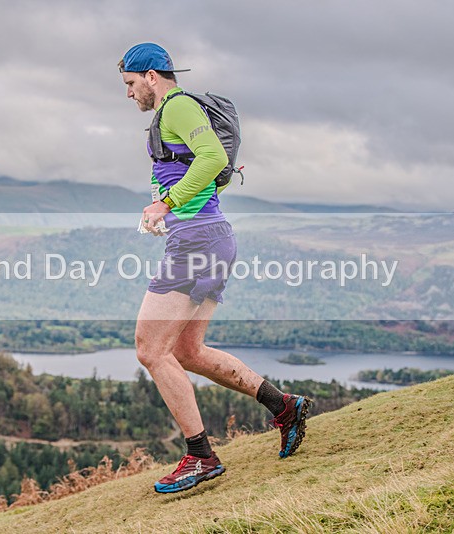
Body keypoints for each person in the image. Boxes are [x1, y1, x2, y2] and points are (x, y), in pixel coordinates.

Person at [119, 43, 311, 494]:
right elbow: (198, 165)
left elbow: (213, 157)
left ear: (151, 76)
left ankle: (200, 456)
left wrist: (165, 204)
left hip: (198, 242)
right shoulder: (172, 113)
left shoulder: (177, 106)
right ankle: (284, 406)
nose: (128, 94)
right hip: (210, 238)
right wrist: (169, 209)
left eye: (130, 84)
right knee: (186, 351)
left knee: (150, 349)